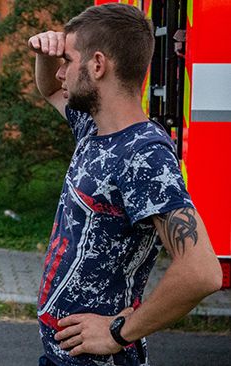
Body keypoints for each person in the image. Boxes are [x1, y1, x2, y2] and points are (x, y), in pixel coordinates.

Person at [27, 4, 222, 365]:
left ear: (98, 65)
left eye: (68, 60)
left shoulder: (143, 154)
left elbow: (201, 271)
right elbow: (51, 92)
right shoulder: (94, 129)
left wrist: (118, 331)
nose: (61, 73)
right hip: (63, 356)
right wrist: (45, 54)